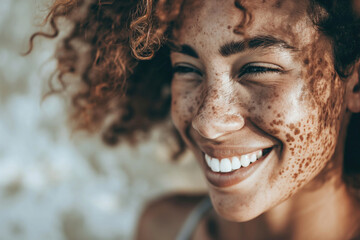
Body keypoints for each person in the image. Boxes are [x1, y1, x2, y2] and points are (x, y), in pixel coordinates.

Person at [30, 0, 360, 239]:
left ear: (355, 83)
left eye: (258, 69)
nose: (208, 122)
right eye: (186, 69)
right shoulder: (164, 228)